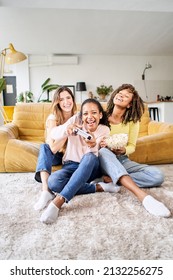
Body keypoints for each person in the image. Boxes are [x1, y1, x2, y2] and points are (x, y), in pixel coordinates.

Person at [40, 98, 120, 224]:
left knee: (89, 157)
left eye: (94, 113)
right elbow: (54, 134)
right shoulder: (75, 122)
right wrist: (67, 128)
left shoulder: (104, 129)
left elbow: (96, 154)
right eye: (86, 113)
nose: (90, 117)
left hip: (90, 167)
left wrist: (93, 144)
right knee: (53, 182)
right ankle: (98, 187)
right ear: (81, 116)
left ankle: (58, 202)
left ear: (100, 115)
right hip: (70, 165)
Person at [97, 83, 171, 218]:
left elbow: (132, 146)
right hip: (102, 160)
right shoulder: (101, 117)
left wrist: (123, 150)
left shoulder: (132, 122)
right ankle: (143, 197)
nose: (121, 96)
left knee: (157, 176)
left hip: (122, 160)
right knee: (103, 152)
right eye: (120, 93)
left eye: (126, 96)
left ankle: (110, 179)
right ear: (114, 95)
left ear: (129, 104)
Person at [34, 86, 77, 211]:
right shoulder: (53, 118)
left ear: (73, 99)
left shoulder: (78, 116)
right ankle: (45, 190)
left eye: (68, 97)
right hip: (55, 155)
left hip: (70, 156)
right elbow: (52, 149)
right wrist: (67, 131)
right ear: (57, 103)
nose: (66, 102)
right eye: (61, 99)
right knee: (44, 147)